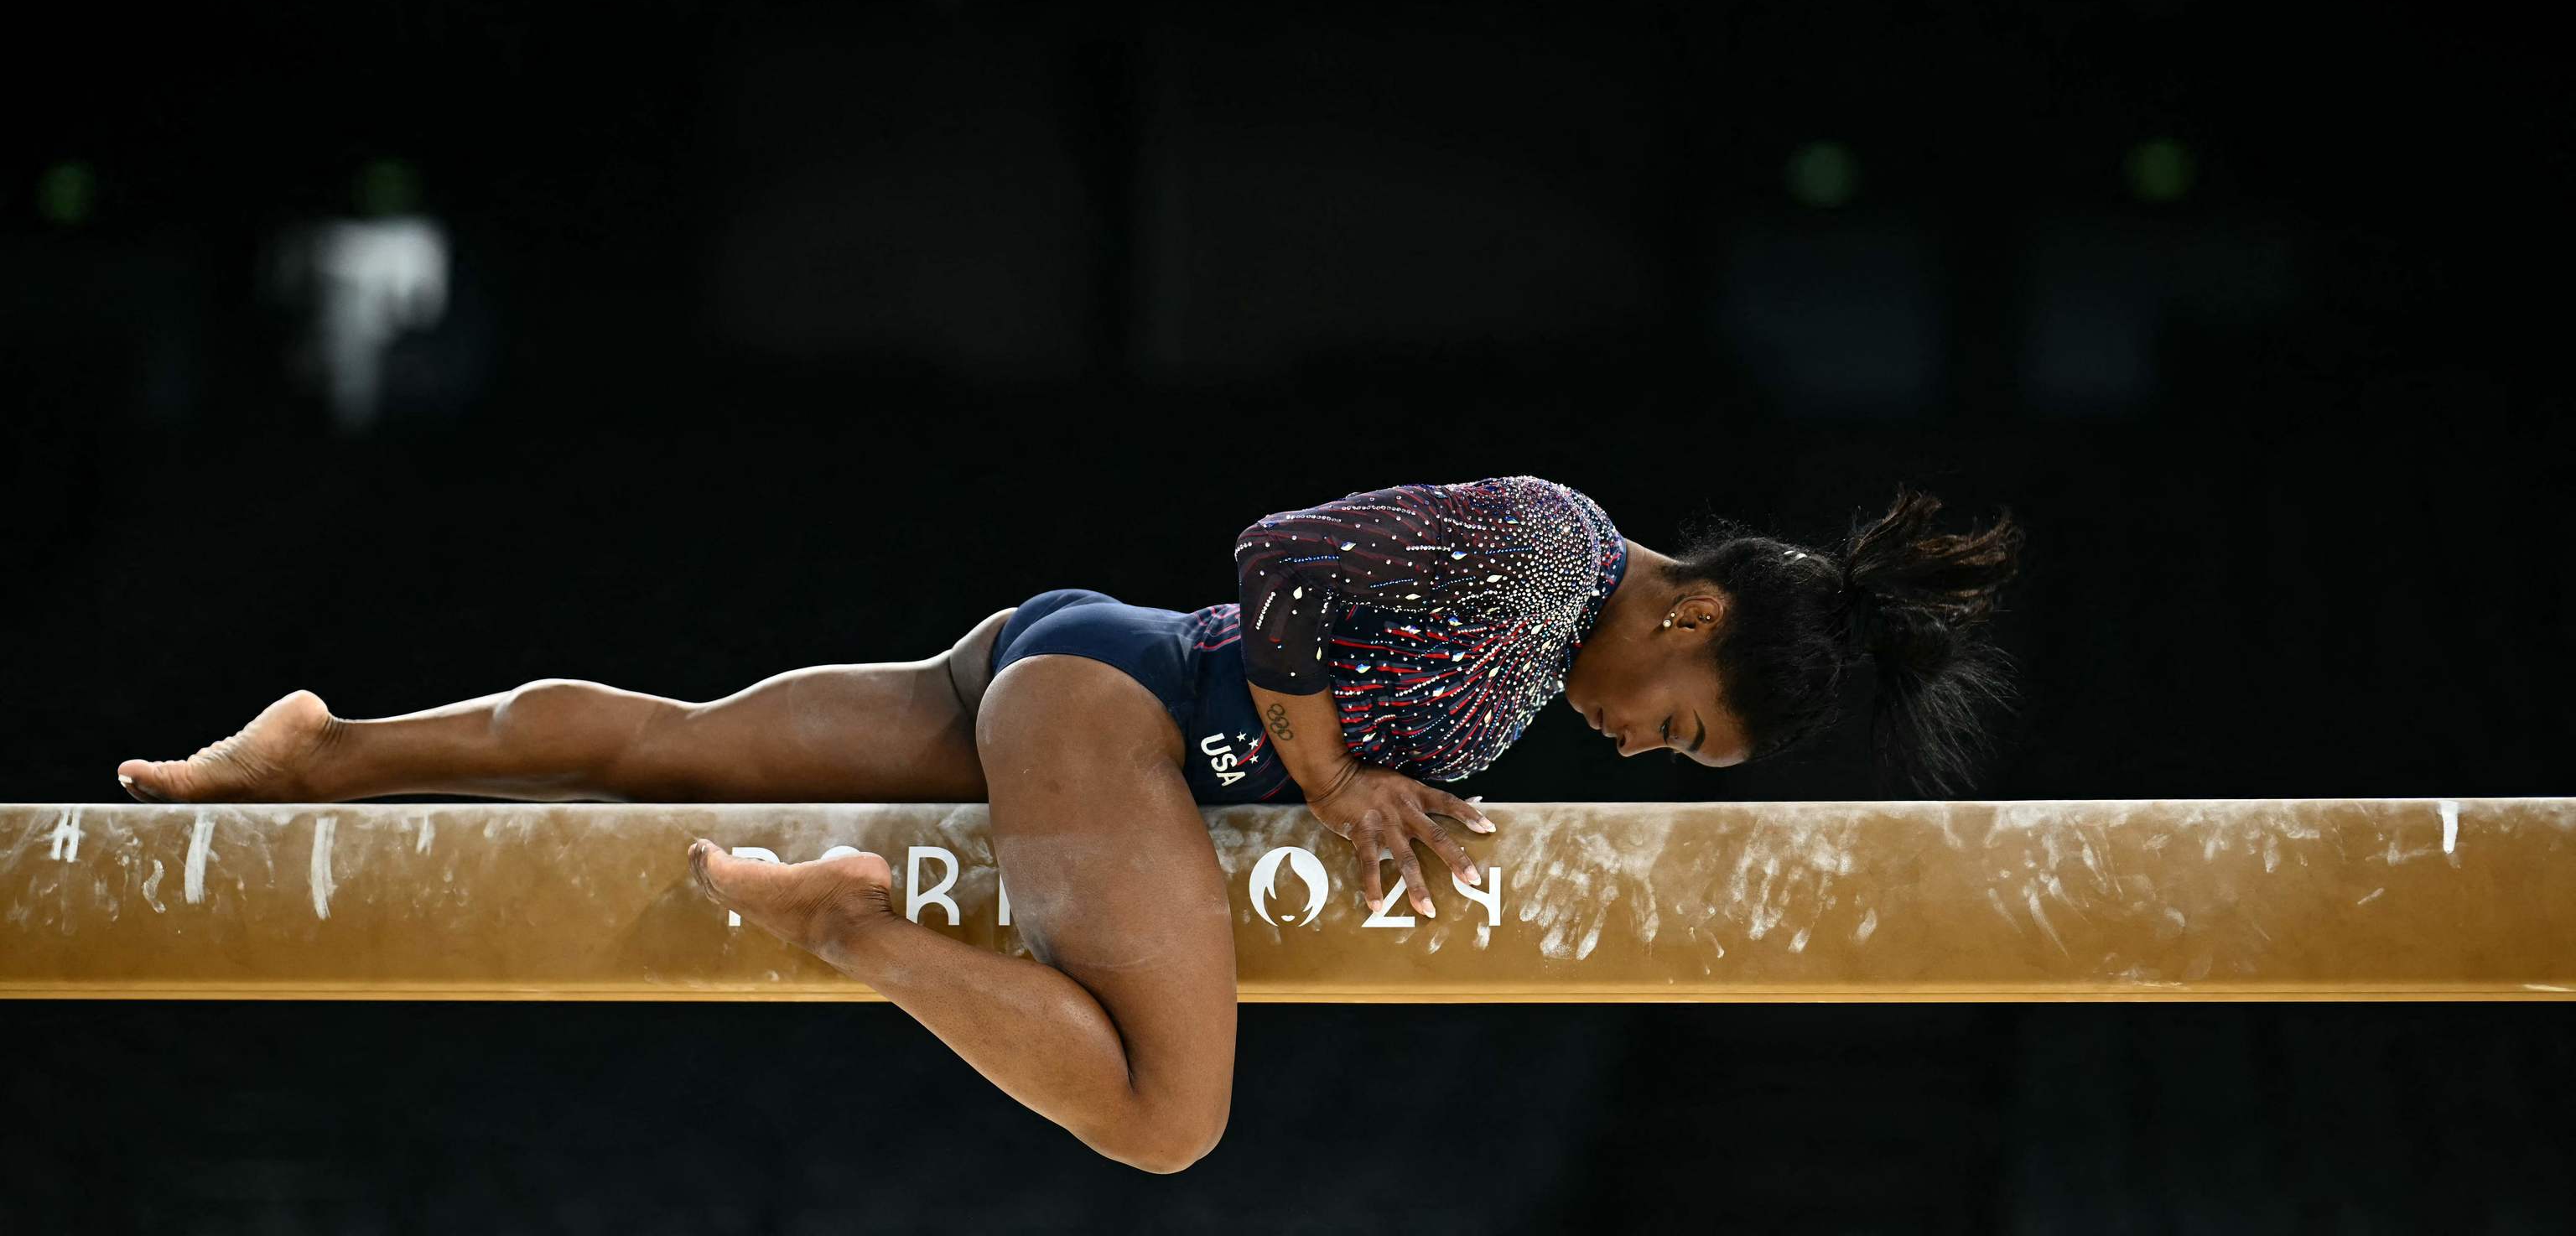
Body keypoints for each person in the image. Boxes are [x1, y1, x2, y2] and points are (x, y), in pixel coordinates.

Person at [113, 473, 2025, 1174]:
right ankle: (847, 923)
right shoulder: (1549, 553)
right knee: (1169, 1116)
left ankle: (315, 752)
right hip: (1123, 706)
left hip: (1064, 669)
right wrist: (1339, 776)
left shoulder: (1542, 636)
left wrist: (1362, 791)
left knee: (664, 745)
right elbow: (1282, 560)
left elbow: (1338, 662)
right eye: (1680, 730)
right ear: (1688, 617)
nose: (1644, 750)